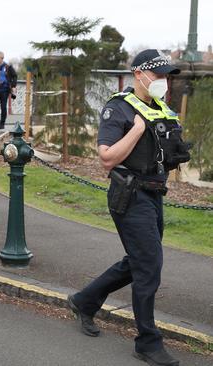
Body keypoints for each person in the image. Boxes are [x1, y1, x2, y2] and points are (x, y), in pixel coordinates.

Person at [68, 49, 189, 366]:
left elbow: (166, 155)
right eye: (159, 75)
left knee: (139, 260)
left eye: (166, 77)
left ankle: (85, 300)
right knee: (149, 267)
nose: (164, 82)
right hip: (129, 196)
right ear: (139, 74)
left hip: (153, 196)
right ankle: (148, 343)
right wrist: (136, 130)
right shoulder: (118, 109)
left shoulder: (160, 109)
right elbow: (106, 158)